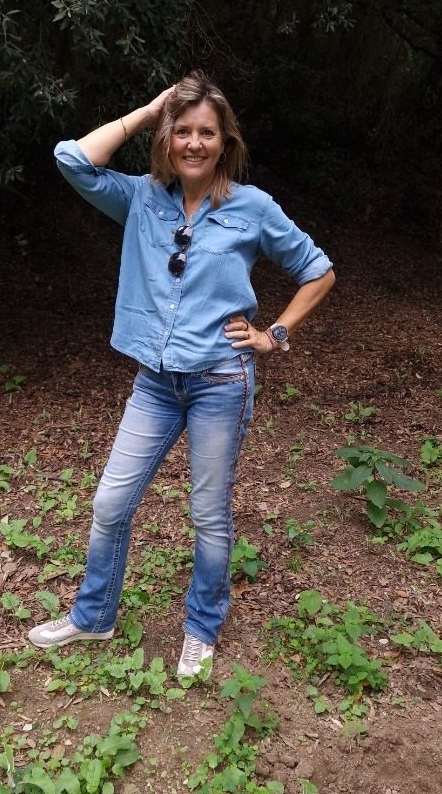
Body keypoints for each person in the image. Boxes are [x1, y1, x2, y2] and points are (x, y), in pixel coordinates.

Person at [28, 71, 335, 680]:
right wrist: (149, 110)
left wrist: (274, 335)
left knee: (208, 513)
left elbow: (318, 270)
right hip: (156, 383)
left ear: (225, 143)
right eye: (183, 131)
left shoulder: (252, 207)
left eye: (207, 133)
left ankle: (201, 628)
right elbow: (72, 160)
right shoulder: (142, 198)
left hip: (221, 380)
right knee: (111, 502)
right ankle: (94, 617)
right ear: (168, 139)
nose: (195, 143)